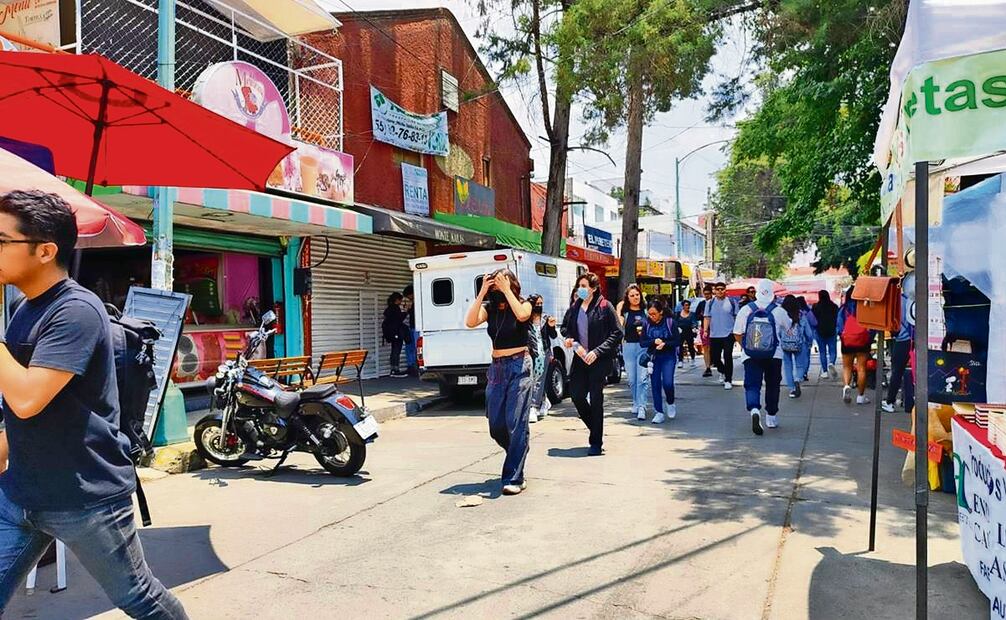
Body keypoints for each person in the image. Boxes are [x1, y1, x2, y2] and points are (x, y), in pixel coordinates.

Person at [0, 191, 187, 618]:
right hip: (20, 494)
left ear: (45, 250)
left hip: (85, 498)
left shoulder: (76, 312)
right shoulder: (24, 309)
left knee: (139, 596)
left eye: (0, 240)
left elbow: (28, 397)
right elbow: (19, 409)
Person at [465, 268, 533, 495]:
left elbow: (522, 316)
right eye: (494, 286)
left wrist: (506, 289)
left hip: (519, 365)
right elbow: (470, 321)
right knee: (496, 425)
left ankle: (514, 477)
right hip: (497, 369)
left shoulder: (525, 303)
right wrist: (483, 290)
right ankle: (518, 449)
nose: (497, 290)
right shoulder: (490, 308)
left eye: (500, 284)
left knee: (516, 421)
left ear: (512, 283)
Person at [561, 273, 622, 455]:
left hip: (599, 360)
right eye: (579, 285)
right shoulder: (575, 307)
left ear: (594, 288)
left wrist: (597, 351)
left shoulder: (605, 306)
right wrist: (570, 340)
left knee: (596, 400)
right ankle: (595, 428)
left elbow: (617, 333)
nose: (581, 288)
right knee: (577, 396)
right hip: (580, 359)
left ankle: (596, 442)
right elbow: (565, 328)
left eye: (585, 285)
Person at [734, 279, 792, 435]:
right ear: (772, 294)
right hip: (774, 354)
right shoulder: (778, 311)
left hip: (750, 354)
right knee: (773, 385)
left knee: (752, 385)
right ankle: (771, 417)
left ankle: (754, 409)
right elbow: (789, 329)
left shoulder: (746, 310)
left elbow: (737, 333)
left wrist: (746, 347)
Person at [640, 299, 682, 423]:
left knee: (668, 383)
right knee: (655, 384)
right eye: (650, 314)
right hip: (654, 357)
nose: (652, 317)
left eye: (654, 314)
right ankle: (659, 411)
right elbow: (642, 342)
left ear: (661, 312)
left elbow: (677, 341)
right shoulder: (646, 324)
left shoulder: (670, 322)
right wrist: (653, 342)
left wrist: (665, 344)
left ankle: (670, 401)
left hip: (668, 356)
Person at [616, 284, 649, 421]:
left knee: (642, 378)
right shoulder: (626, 312)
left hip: (643, 346)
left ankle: (642, 406)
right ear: (627, 298)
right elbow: (619, 325)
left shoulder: (646, 310)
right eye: (632, 295)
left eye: (637, 294)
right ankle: (635, 401)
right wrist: (618, 310)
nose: (635, 297)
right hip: (628, 346)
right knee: (632, 379)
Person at [837, 287, 874, 405]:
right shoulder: (866, 308)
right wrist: (870, 338)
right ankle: (861, 396)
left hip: (847, 342)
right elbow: (871, 327)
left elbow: (839, 326)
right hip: (863, 341)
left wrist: (843, 336)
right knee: (861, 368)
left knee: (847, 367)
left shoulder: (843, 309)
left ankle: (847, 386)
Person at [526, 294, 557, 423]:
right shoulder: (525, 320)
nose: (539, 306)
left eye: (541, 303)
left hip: (543, 353)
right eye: (537, 303)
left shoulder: (545, 318)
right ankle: (544, 401)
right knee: (535, 379)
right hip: (531, 353)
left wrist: (551, 326)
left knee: (538, 379)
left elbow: (553, 336)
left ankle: (534, 407)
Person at [882, 289, 913, 413]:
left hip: (903, 340)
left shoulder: (899, 300)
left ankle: (890, 402)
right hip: (914, 340)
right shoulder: (913, 300)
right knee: (912, 372)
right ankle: (906, 400)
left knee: (897, 372)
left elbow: (895, 322)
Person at [704, 282, 738, 390]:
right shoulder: (710, 302)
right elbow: (707, 317)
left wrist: (736, 332)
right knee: (715, 357)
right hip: (714, 334)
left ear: (725, 290)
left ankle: (728, 379)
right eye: (717, 289)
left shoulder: (732, 302)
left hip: (729, 333)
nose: (720, 291)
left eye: (722, 289)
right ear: (714, 290)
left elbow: (736, 317)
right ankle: (722, 370)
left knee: (728, 356)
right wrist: (705, 330)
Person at [780, 295, 813, 398]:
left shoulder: (781, 315)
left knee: (788, 366)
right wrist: (809, 342)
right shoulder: (801, 315)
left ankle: (792, 388)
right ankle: (797, 379)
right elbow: (809, 333)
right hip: (799, 344)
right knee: (800, 365)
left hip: (785, 344)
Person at [812, 290, 839, 380]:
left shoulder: (815, 307)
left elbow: (813, 319)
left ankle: (824, 372)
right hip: (832, 330)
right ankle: (831, 362)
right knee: (833, 350)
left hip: (820, 331)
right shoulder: (834, 306)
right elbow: (837, 318)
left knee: (822, 352)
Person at [382, 292, 409, 377]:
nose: (401, 302)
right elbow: (399, 319)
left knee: (394, 350)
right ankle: (396, 370)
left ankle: (393, 369)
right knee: (396, 351)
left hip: (391, 333)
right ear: (397, 300)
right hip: (396, 332)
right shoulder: (395, 308)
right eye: (400, 300)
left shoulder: (389, 309)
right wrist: (406, 311)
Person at [696, 284, 714, 377]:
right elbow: (696, 315)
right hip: (705, 328)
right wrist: (702, 315)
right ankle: (707, 367)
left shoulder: (715, 303)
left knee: (713, 348)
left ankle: (713, 360)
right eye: (705, 294)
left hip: (715, 329)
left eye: (708, 294)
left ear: (711, 294)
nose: (707, 295)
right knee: (706, 348)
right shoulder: (701, 304)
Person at [797, 297, 817, 382]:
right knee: (806, 357)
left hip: (795, 339)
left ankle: (798, 374)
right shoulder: (808, 313)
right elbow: (814, 323)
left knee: (797, 358)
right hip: (806, 339)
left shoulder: (793, 313)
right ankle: (804, 373)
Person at [676, 299, 698, 368]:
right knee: (680, 346)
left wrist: (694, 327)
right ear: (683, 306)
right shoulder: (678, 314)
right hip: (681, 332)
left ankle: (693, 359)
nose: (687, 306)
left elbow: (694, 322)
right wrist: (677, 328)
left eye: (688, 305)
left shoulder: (692, 314)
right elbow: (675, 322)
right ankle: (680, 361)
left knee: (690, 345)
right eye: (686, 305)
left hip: (689, 331)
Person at [402, 284, 418, 376]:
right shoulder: (413, 303)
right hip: (412, 326)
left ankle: (414, 365)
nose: (408, 298)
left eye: (408, 296)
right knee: (410, 346)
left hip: (416, 327)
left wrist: (408, 310)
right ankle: (411, 365)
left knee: (415, 346)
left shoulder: (418, 302)